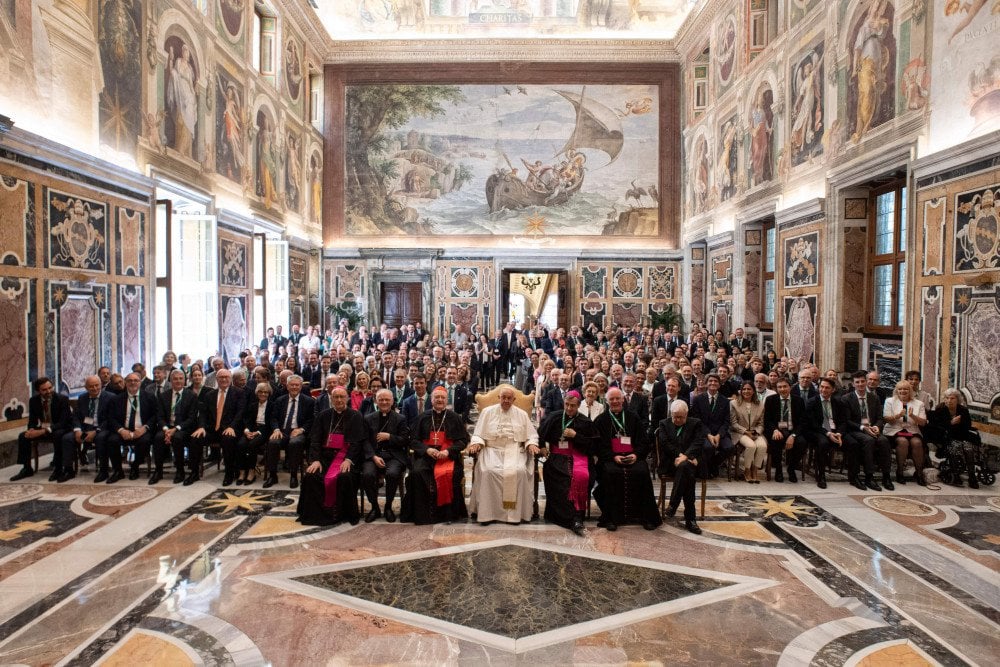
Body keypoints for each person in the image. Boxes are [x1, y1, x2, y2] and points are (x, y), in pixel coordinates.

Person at [467, 386, 540, 525]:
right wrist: (476, 443)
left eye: (509, 398)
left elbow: (531, 435)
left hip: (515, 451)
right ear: (498, 398)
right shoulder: (487, 412)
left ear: (514, 399)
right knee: (488, 471)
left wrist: (531, 444)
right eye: (503, 398)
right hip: (492, 450)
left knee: (519, 471)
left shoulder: (522, 414)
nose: (506, 400)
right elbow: (478, 434)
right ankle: (488, 514)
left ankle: (515, 515)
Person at [593, 388, 661, 531]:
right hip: (610, 459)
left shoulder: (633, 417)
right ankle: (611, 517)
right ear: (607, 401)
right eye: (612, 399)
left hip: (633, 456)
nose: (615, 401)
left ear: (623, 399)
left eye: (618, 398)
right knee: (610, 474)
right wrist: (613, 456)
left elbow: (644, 442)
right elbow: (598, 446)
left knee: (642, 472)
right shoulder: (601, 420)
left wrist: (636, 455)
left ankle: (645, 517)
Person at [298, 387, 366, 526]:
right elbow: (315, 440)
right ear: (331, 399)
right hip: (324, 458)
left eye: (342, 397)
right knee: (311, 475)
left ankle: (341, 513)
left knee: (344, 476)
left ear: (347, 398)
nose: (339, 400)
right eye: (336, 397)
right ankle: (316, 514)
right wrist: (315, 460)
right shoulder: (323, 415)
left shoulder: (356, 416)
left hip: (347, 458)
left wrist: (348, 460)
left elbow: (357, 442)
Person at [401, 386, 469, 524]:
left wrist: (448, 451)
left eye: (442, 397)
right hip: (426, 456)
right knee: (417, 472)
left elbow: (463, 440)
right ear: (431, 400)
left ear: (446, 400)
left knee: (451, 474)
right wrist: (426, 450)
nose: (439, 400)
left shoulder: (455, 417)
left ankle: (447, 515)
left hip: (447, 457)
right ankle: (423, 516)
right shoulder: (422, 417)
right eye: (436, 397)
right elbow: (413, 440)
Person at [537, 391, 600, 536]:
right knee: (560, 477)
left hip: (579, 457)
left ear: (579, 405)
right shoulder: (554, 417)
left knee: (581, 477)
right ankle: (562, 517)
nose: (569, 408)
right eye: (567, 405)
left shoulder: (585, 421)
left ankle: (576, 517)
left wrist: (576, 436)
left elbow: (593, 445)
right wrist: (542, 447)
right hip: (557, 456)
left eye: (573, 406)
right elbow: (540, 433)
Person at [655, 400, 704, 534]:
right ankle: (691, 519)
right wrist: (681, 455)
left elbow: (698, 442)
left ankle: (673, 504)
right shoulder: (664, 423)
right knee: (687, 472)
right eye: (675, 416)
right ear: (671, 414)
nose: (677, 419)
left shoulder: (696, 423)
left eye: (681, 417)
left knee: (685, 468)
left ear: (686, 414)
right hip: (669, 463)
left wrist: (685, 456)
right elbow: (664, 444)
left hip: (687, 463)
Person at [11, 377, 73, 482]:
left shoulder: (62, 399)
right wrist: (31, 430)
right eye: (44, 390)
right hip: (45, 427)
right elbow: (32, 420)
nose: (48, 391)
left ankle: (58, 469)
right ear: (38, 391)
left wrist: (44, 431)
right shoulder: (33, 401)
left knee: (58, 435)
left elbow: (63, 422)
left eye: (50, 388)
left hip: (61, 427)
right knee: (23, 436)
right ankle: (27, 468)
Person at [841, 370, 893, 491]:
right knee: (868, 440)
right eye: (857, 382)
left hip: (872, 428)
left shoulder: (874, 398)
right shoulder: (847, 398)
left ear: (866, 382)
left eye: (862, 381)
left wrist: (877, 426)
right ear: (853, 384)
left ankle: (886, 476)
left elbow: (880, 418)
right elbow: (847, 421)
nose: (860, 384)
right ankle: (869, 477)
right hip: (856, 429)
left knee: (884, 441)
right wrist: (863, 428)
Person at [362, 389, 410, 523]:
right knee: (367, 475)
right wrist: (373, 457)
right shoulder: (368, 418)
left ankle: (388, 507)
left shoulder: (400, 418)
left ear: (392, 401)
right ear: (376, 401)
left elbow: (405, 440)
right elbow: (364, 440)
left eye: (387, 400)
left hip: (394, 455)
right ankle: (375, 507)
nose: (384, 402)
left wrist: (390, 437)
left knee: (393, 474)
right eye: (381, 400)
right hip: (374, 455)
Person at [191, 368, 244, 486]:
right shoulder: (210, 395)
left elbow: (240, 413)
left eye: (226, 377)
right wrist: (202, 427)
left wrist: (232, 427)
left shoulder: (238, 393)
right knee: (195, 438)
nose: (224, 379)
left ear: (230, 379)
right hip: (212, 430)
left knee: (228, 439)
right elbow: (203, 414)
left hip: (229, 429)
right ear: (217, 379)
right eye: (221, 377)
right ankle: (194, 473)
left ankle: (229, 473)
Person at [106, 373, 160, 481]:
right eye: (130, 380)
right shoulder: (117, 399)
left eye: (136, 380)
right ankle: (118, 471)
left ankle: (135, 467)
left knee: (145, 441)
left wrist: (144, 428)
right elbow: (111, 418)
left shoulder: (149, 397)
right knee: (112, 440)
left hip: (142, 429)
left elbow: (155, 416)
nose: (133, 383)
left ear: (140, 383)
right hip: (124, 429)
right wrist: (121, 430)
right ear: (125, 382)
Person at [150, 369, 200, 485]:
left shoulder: (191, 395)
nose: (178, 381)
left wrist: (176, 428)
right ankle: (158, 471)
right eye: (175, 379)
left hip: (183, 428)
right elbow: (160, 416)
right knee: (158, 438)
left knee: (178, 438)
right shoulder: (163, 396)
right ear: (170, 381)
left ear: (185, 380)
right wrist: (166, 429)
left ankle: (180, 471)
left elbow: (192, 418)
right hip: (167, 427)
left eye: (180, 378)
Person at [265, 375, 315, 489]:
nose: (294, 387)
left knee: (295, 443)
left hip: (298, 431)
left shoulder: (308, 401)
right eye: (292, 385)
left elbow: (311, 420)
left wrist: (301, 429)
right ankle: (273, 475)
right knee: (273, 442)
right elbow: (273, 418)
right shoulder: (280, 400)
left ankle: (293, 475)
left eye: (297, 385)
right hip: (281, 431)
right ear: (287, 386)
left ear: (301, 386)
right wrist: (276, 429)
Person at [68, 375, 115, 483]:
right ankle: (68, 470)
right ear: (86, 387)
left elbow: (110, 419)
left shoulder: (110, 397)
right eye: (91, 386)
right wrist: (77, 430)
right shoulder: (82, 398)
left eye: (96, 385)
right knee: (67, 438)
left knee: (100, 438)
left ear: (101, 385)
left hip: (103, 428)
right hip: (85, 428)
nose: (94, 388)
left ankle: (103, 471)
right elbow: (75, 416)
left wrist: (96, 431)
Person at [929, 388, 979, 488]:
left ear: (957, 400)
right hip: (946, 438)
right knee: (955, 447)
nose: (949, 400)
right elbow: (936, 427)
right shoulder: (940, 410)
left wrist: (960, 424)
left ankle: (972, 476)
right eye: (947, 398)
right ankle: (956, 475)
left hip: (962, 436)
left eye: (952, 398)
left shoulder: (963, 410)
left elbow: (968, 427)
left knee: (969, 449)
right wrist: (950, 423)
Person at [883, 380, 928, 485]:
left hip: (912, 430)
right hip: (894, 430)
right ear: (896, 390)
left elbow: (923, 423)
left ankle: (919, 473)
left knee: (917, 443)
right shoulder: (890, 401)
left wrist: (913, 416)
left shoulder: (919, 403)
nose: (903, 391)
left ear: (910, 390)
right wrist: (898, 415)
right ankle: (900, 471)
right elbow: (887, 419)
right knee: (903, 442)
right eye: (900, 389)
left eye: (906, 389)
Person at [807, 377, 848, 489]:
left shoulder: (838, 402)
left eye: (827, 388)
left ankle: (854, 476)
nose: (824, 390)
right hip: (818, 431)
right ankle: (821, 475)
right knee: (823, 443)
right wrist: (828, 433)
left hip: (835, 431)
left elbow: (843, 421)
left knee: (853, 443)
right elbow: (812, 423)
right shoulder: (812, 402)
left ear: (833, 390)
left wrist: (839, 433)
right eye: (822, 387)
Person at [763, 377, 806, 483]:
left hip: (793, 430)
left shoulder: (798, 401)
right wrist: (775, 430)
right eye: (779, 387)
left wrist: (793, 435)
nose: (782, 389)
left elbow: (802, 422)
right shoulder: (771, 400)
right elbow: (767, 420)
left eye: (785, 386)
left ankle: (791, 468)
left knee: (802, 443)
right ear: (776, 388)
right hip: (777, 430)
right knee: (775, 440)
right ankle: (778, 470)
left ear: (790, 387)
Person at [689, 374, 733, 476]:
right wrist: (708, 434)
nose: (713, 383)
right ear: (706, 384)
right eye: (710, 381)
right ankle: (706, 470)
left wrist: (718, 435)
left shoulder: (725, 401)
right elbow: (697, 420)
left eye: (715, 381)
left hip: (719, 433)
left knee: (729, 448)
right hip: (704, 433)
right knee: (708, 447)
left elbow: (726, 421)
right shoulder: (698, 399)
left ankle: (713, 464)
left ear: (719, 384)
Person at [235, 382, 274, 485]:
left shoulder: (272, 405)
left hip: (264, 430)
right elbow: (247, 420)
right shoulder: (252, 405)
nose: (263, 394)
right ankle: (242, 471)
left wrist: (257, 432)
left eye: (265, 392)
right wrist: (247, 431)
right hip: (251, 429)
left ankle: (251, 472)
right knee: (241, 444)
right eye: (260, 392)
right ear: (257, 393)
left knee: (252, 444)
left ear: (269, 393)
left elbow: (271, 423)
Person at [730, 381, 767, 483]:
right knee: (751, 446)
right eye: (744, 389)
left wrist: (757, 432)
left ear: (753, 391)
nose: (746, 391)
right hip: (739, 432)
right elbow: (733, 423)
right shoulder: (734, 403)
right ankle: (746, 470)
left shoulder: (760, 404)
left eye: (749, 389)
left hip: (755, 432)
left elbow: (761, 423)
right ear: (741, 391)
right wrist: (746, 432)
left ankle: (754, 471)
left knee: (762, 446)